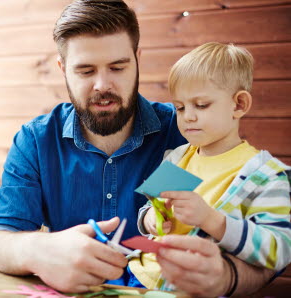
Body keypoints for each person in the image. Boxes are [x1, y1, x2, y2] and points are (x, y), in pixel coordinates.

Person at [0, 0, 277, 296]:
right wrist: (38, 249)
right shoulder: (36, 139)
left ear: (137, 59)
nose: (102, 85)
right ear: (63, 68)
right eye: (85, 71)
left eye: (117, 67)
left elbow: (273, 248)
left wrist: (226, 277)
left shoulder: (190, 130)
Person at [113, 42, 291, 292]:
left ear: (239, 105)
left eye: (201, 105)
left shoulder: (266, 176)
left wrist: (213, 221)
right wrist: (152, 219)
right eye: (181, 107)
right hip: (136, 273)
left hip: (189, 289)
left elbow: (280, 249)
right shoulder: (178, 156)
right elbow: (149, 207)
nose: (188, 117)